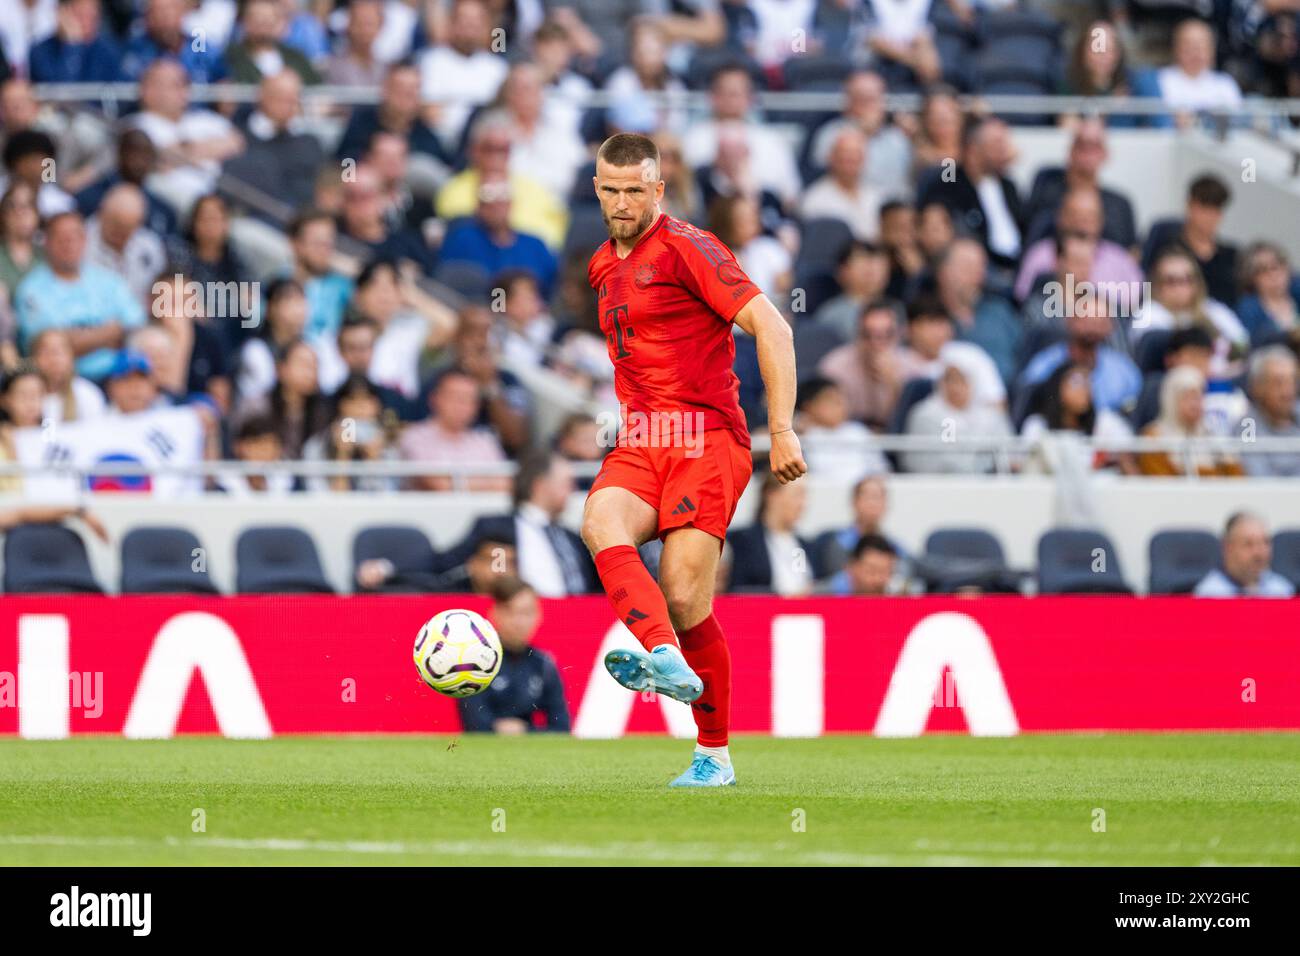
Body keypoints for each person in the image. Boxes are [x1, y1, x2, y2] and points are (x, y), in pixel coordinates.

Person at [579, 133, 806, 788]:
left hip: (706, 437)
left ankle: (713, 753)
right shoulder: (601, 265)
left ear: (657, 188)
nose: (621, 203)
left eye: (633, 190)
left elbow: (774, 326)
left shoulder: (690, 247)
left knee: (683, 595)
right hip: (642, 438)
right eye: (609, 190)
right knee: (599, 523)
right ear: (597, 190)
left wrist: (782, 429)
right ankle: (661, 654)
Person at [14, 211, 145, 382]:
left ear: (85, 241)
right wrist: (110, 334)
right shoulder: (31, 288)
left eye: (74, 237)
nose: (68, 244)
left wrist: (78, 339)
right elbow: (49, 346)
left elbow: (135, 320)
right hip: (61, 380)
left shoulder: (107, 279)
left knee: (153, 343)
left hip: (117, 375)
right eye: (61, 238)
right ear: (46, 242)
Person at [458, 576, 572, 734]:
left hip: (532, 754)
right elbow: (476, 725)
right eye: (510, 611)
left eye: (526, 612)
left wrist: (524, 730)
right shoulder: (475, 663)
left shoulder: (544, 665)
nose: (519, 621)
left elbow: (562, 728)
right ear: (494, 613)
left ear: (539, 615)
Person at [903, 350, 1012, 474]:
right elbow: (937, 460)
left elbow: (1010, 458)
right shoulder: (928, 415)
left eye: (962, 380)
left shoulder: (991, 417)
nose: (955, 387)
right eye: (949, 379)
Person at [1137, 364, 1244, 477]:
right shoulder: (1154, 439)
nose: (1194, 405)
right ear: (1171, 400)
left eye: (1198, 397)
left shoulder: (1212, 436)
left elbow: (1236, 477)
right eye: (1187, 397)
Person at [726, 470, 815, 596]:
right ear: (772, 495)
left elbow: (801, 580)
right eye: (797, 494)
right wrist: (783, 595)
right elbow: (737, 590)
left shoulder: (803, 545)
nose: (803, 504)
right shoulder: (742, 541)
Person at [1194, 512, 1294, 598]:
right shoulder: (1209, 594)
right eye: (1248, 544)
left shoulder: (1282, 590)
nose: (1259, 553)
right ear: (1228, 548)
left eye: (1265, 542)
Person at [1239, 346, 1300, 477]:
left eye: (1292, 381)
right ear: (1257, 387)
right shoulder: (1247, 426)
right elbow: (1258, 478)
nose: (1287, 392)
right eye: (1278, 383)